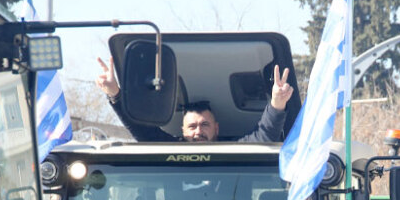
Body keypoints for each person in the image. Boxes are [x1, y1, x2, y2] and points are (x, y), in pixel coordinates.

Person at [95, 57, 293, 142]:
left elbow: (264, 136)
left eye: (204, 124)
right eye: (192, 127)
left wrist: (277, 102)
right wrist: (115, 94)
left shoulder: (235, 152)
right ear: (182, 131)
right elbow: (142, 131)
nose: (198, 131)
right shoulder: (170, 153)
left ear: (216, 128)